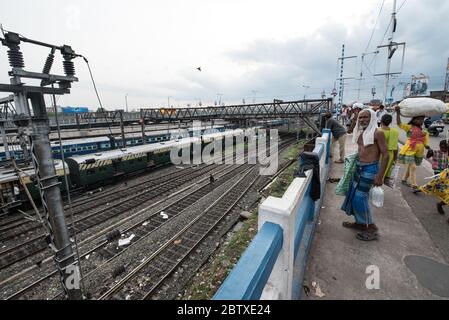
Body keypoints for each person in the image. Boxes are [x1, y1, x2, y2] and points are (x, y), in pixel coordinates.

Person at [341, 109, 389, 241]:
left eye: (365, 117)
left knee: (360, 197)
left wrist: (380, 176)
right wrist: (354, 117)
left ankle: (371, 228)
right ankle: (360, 223)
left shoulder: (377, 133)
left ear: (372, 118)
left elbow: (386, 154)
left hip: (370, 169)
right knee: (353, 195)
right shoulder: (361, 133)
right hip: (359, 167)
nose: (362, 120)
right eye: (360, 118)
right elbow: (349, 131)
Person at [395, 106, 430, 190]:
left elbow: (425, 140)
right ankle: (414, 184)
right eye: (418, 119)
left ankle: (404, 179)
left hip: (419, 151)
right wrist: (398, 113)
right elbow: (399, 124)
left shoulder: (424, 130)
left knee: (410, 166)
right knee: (413, 166)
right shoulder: (409, 127)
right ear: (413, 120)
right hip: (410, 149)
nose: (420, 121)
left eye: (421, 119)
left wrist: (427, 146)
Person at [379, 114, 399, 182]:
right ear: (390, 122)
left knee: (375, 173)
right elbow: (395, 147)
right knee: (383, 173)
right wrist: (395, 158)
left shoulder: (377, 131)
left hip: (378, 154)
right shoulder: (395, 132)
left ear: (381, 121)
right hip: (389, 155)